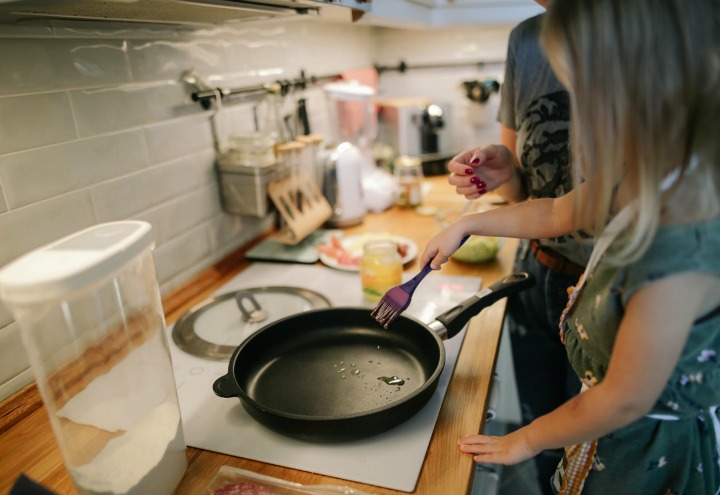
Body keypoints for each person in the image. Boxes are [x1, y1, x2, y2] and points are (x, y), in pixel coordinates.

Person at [424, 0, 720, 493]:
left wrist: (528, 439)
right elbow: (556, 211)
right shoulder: (644, 174)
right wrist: (468, 224)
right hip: (602, 437)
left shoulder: (680, 248)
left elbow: (624, 399)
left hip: (644, 459)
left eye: (587, 92)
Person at [447, 1, 586, 490]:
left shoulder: (662, 30)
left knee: (593, 455)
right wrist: (502, 171)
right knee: (545, 444)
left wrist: (472, 226)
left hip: (612, 291)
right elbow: (535, 199)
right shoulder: (527, 39)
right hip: (537, 273)